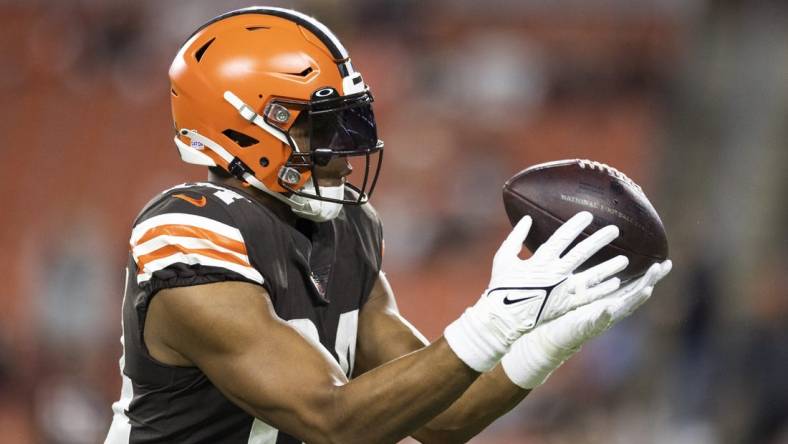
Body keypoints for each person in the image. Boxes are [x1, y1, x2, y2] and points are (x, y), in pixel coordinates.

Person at [104, 7, 671, 444]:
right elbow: (330, 421)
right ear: (248, 127)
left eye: (351, 122)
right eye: (322, 128)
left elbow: (442, 420)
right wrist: (491, 322)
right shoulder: (189, 236)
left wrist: (544, 341)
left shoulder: (346, 225)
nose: (346, 152)